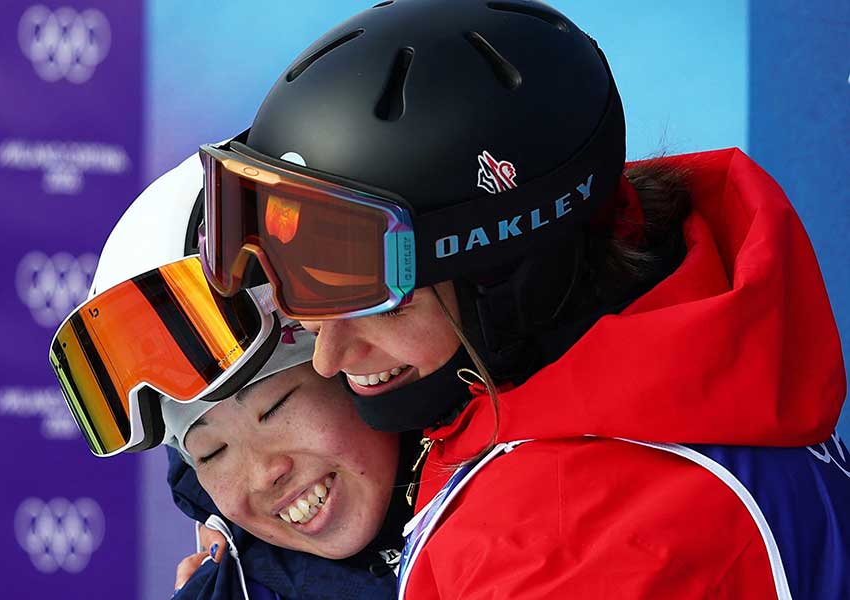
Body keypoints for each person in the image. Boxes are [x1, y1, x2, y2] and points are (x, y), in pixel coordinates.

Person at [194, 0, 849, 597]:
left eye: (382, 304)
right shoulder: (669, 331)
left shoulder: (561, 543)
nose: (330, 358)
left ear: (509, 278)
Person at [50, 156, 414, 600]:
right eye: (211, 453)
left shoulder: (508, 479)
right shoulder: (231, 587)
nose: (264, 474)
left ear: (356, 359)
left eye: (274, 408)